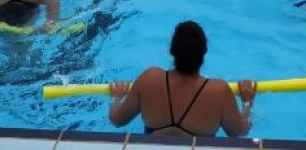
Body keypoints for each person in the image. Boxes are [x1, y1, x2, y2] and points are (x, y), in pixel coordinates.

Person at [109, 20, 257, 137]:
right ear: (204, 52)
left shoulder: (149, 79)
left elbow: (117, 120)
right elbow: (238, 132)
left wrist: (116, 98)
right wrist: (247, 102)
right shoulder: (219, 91)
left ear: (171, 50)